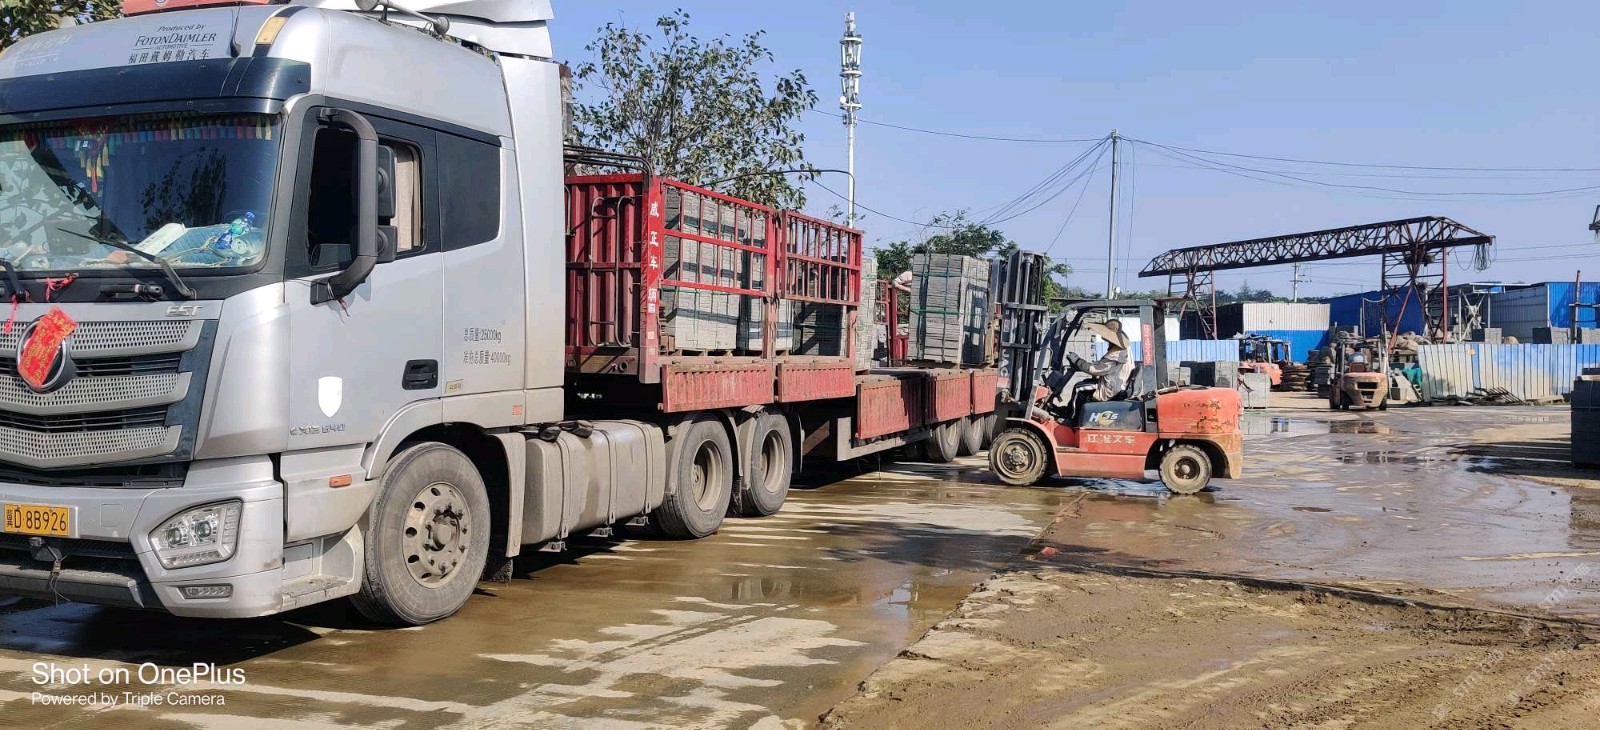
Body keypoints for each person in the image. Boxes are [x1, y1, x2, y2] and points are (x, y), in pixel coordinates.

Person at [1049, 319, 1135, 418]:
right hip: (1117, 384)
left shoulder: (1115, 355)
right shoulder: (1123, 350)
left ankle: (1071, 417)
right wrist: (1079, 363)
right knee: (1086, 382)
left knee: (1078, 387)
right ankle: (1073, 410)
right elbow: (1103, 367)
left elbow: (1094, 369)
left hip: (1111, 389)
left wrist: (1077, 360)